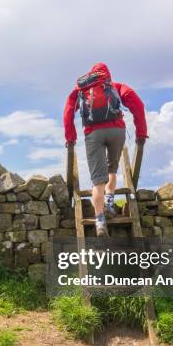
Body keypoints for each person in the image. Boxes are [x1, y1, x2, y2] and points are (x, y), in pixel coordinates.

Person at [63, 62, 147, 236]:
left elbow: (68, 110)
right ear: (108, 74)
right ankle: (109, 201)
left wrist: (70, 137)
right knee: (112, 169)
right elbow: (138, 106)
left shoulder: (82, 89)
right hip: (117, 131)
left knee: (97, 181)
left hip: (93, 133)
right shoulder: (117, 87)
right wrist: (141, 133)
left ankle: (100, 221)